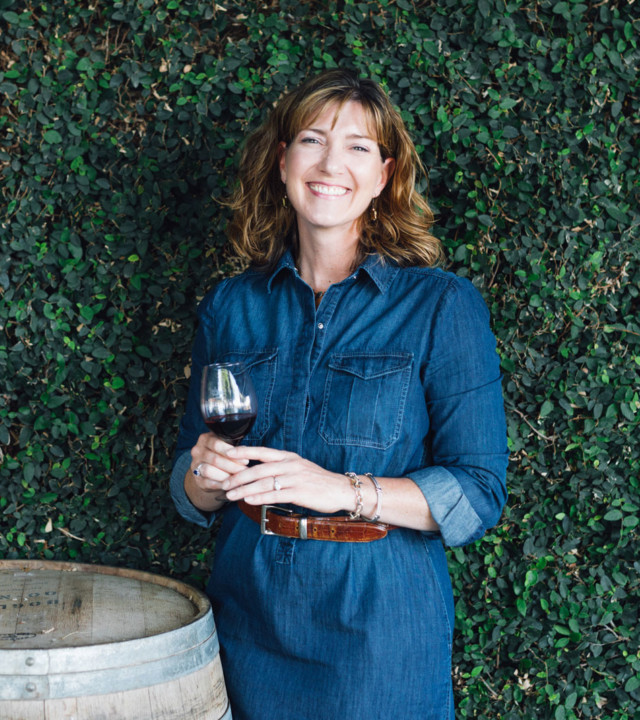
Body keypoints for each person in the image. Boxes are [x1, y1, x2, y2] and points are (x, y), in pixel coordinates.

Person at [170, 69, 508, 720]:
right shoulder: (232, 306)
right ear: (282, 161)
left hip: (378, 627)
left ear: (383, 176)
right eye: (312, 140)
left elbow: (477, 491)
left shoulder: (441, 305)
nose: (331, 164)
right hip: (246, 614)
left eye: (357, 147)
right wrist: (204, 477)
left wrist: (342, 490)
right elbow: (191, 478)